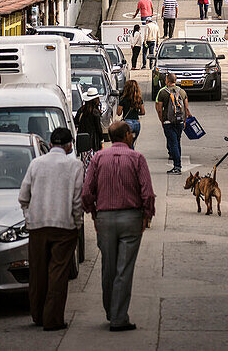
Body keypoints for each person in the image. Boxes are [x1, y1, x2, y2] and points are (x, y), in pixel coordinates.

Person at [82, 121, 155, 332]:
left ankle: (110, 310)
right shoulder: (137, 158)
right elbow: (147, 192)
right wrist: (146, 215)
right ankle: (119, 317)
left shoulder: (97, 158)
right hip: (131, 218)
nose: (132, 136)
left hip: (105, 218)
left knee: (108, 267)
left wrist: (94, 214)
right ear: (125, 136)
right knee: (124, 269)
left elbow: (87, 192)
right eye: (130, 133)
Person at [18, 126, 84, 331]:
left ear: (52, 143)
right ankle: (53, 319)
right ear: (69, 145)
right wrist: (77, 223)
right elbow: (76, 200)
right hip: (64, 226)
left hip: (37, 226)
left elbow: (24, 196)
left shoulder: (36, 163)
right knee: (58, 272)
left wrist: (29, 218)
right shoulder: (74, 165)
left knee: (37, 271)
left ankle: (37, 315)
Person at [156, 72, 189, 175]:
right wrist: (184, 121)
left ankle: (177, 166)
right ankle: (178, 164)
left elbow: (159, 109)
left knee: (173, 143)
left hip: (168, 121)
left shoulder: (162, 92)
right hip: (179, 121)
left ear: (167, 81)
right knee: (177, 141)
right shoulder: (182, 92)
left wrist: (162, 120)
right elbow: (186, 108)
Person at [117, 79, 145, 147]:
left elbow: (119, 113)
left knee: (127, 144)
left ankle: (130, 156)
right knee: (131, 143)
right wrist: (135, 113)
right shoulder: (139, 99)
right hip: (137, 123)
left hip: (127, 123)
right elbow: (143, 112)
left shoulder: (123, 99)